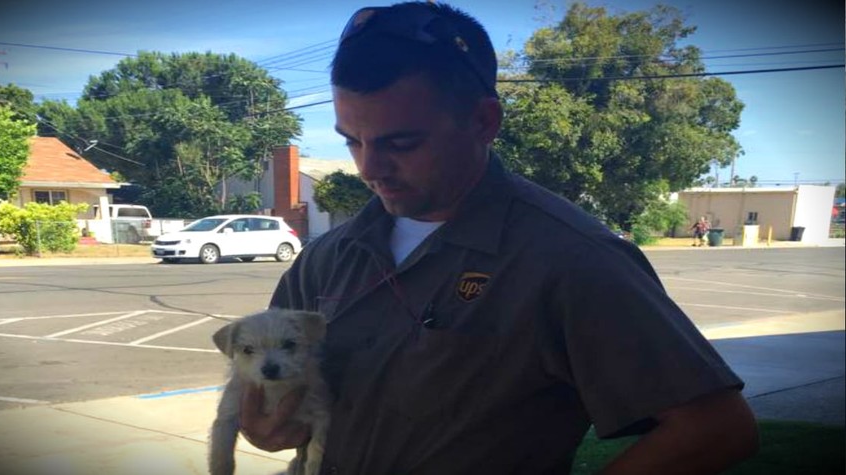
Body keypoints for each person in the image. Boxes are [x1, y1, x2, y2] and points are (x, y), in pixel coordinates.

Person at [239, 2, 759, 473]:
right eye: (353, 141)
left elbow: (714, 428)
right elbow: (272, 390)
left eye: (402, 142)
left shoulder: (570, 258)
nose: (369, 167)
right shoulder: (328, 257)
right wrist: (268, 424)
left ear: (484, 120)